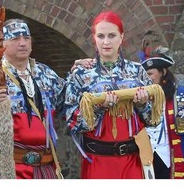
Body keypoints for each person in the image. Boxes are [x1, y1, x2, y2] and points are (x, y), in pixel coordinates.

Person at [65, 10, 163, 179]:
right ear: (94, 38)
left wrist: (142, 104)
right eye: (101, 36)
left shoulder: (137, 71)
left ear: (121, 37)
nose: (106, 42)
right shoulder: (81, 74)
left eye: (112, 35)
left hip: (133, 160)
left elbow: (154, 120)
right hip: (97, 161)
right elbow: (73, 124)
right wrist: (99, 108)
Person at [0, 18, 66, 179]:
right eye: (15, 39)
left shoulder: (46, 75)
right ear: (2, 44)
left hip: (45, 167)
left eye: (26, 38)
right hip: (8, 167)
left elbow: (70, 104)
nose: (23, 43)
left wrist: (81, 70)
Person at [140, 46, 184, 179]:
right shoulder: (140, 98)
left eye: (150, 74)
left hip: (172, 158)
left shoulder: (183, 95)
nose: (146, 78)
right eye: (144, 75)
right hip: (146, 160)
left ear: (163, 72)